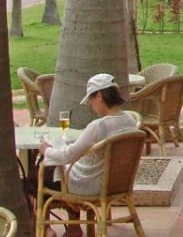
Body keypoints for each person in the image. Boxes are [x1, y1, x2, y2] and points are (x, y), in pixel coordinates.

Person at [38, 74, 139, 237]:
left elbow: (69, 155)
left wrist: (46, 150)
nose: (91, 106)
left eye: (91, 100)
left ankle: (46, 228)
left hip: (92, 185)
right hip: (117, 184)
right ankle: (73, 226)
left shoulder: (98, 126)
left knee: (37, 176)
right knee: (60, 171)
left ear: (99, 96)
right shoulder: (130, 120)